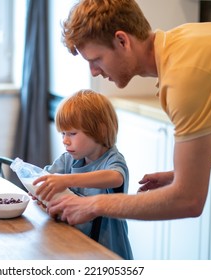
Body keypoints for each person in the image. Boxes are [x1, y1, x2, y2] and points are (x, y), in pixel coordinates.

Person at [46, 0, 211, 260]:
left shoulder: (185, 77)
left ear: (122, 41)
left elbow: (188, 200)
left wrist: (93, 204)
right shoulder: (181, 46)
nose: (94, 71)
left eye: (96, 59)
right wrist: (180, 173)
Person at [33, 89, 133, 260]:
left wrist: (66, 180)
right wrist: (41, 195)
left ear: (99, 131)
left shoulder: (112, 160)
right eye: (63, 133)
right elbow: (44, 181)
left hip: (107, 252)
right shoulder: (68, 159)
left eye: (72, 133)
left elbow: (115, 178)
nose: (65, 140)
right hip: (75, 247)